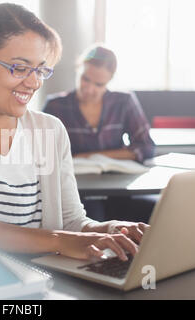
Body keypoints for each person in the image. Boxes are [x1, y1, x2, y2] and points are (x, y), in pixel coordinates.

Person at [0, 3, 149, 261]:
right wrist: (59, 240)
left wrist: (108, 229)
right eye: (20, 68)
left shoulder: (51, 130)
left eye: (40, 70)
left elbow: (71, 221)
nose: (34, 82)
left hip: (38, 278)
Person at [43, 45, 156, 222]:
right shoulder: (56, 106)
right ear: (78, 70)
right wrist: (119, 153)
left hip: (118, 189)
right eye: (85, 79)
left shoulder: (124, 102)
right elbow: (44, 155)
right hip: (77, 192)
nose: (89, 89)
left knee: (156, 211)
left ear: (110, 80)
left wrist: (89, 156)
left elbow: (146, 147)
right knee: (93, 217)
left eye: (99, 84)